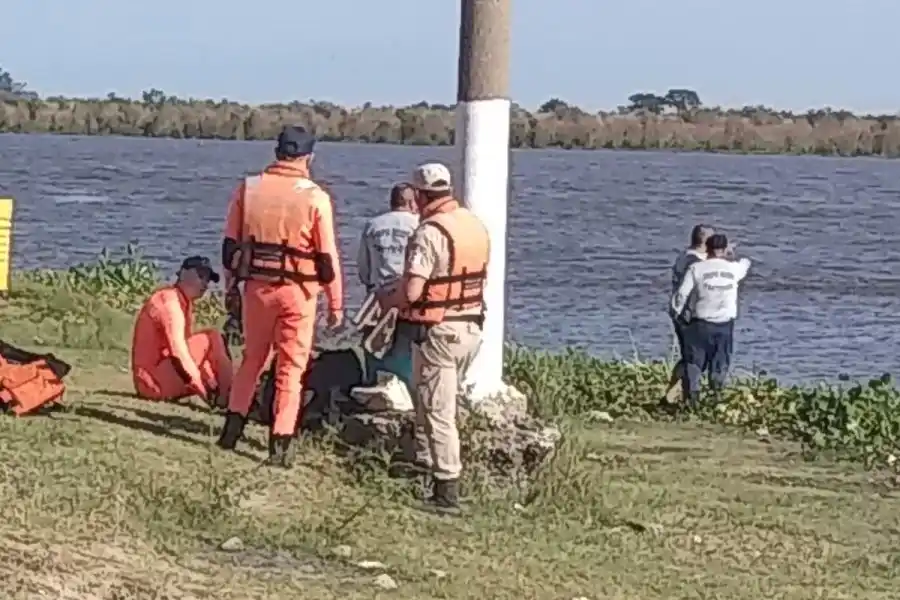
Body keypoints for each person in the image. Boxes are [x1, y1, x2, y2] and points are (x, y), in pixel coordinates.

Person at [216, 125, 344, 468]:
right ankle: (280, 444)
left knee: (252, 360)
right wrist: (335, 302)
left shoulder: (249, 188)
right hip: (299, 293)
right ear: (309, 157)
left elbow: (230, 247)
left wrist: (230, 285)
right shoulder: (316, 197)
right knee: (291, 366)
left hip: (256, 289)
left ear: (276, 153)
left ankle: (231, 430)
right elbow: (326, 258)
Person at [381, 162, 490, 514]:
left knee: (437, 410)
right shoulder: (473, 224)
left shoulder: (430, 232)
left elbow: (413, 291)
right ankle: (430, 469)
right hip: (471, 326)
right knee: (440, 404)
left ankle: (446, 490)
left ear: (421, 195)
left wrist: (387, 300)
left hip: (438, 330)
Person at [131, 256, 233, 405]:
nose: (205, 284)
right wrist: (201, 389)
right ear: (183, 273)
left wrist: (209, 379)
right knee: (211, 337)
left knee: (211, 342)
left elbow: (187, 353)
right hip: (152, 383)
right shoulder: (169, 302)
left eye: (207, 279)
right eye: (201, 276)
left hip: (154, 379)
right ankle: (228, 398)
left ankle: (227, 395)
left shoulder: (183, 302)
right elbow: (179, 352)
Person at [671, 233, 751, 407]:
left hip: (700, 323)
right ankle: (716, 398)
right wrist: (731, 255)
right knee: (720, 362)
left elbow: (682, 295)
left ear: (707, 249)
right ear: (724, 249)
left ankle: (692, 400)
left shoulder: (697, 269)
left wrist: (678, 315)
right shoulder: (734, 269)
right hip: (724, 324)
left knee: (694, 362)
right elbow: (746, 263)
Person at [355, 183, 419, 389]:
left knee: (374, 345)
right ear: (412, 202)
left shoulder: (373, 225)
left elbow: (363, 266)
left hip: (377, 297)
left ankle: (373, 384)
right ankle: (406, 392)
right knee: (405, 350)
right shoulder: (418, 226)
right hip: (407, 296)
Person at [663, 224, 714, 403]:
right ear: (705, 241)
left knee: (689, 356)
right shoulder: (695, 262)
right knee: (695, 358)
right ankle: (686, 396)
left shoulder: (684, 256)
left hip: (680, 311)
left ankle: (673, 392)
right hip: (688, 315)